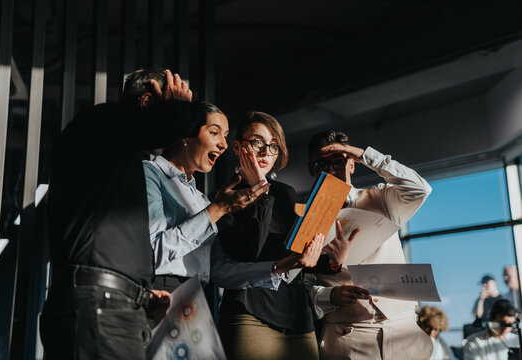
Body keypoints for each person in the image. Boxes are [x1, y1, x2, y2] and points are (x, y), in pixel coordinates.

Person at [40, 69, 197, 360]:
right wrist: (179, 109)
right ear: (147, 100)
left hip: (112, 307)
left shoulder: (116, 161)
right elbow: (172, 125)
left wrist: (140, 295)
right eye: (167, 99)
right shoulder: (97, 123)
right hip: (99, 307)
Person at [213, 112, 362, 360]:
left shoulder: (286, 193)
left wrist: (333, 259)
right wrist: (258, 190)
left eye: (272, 146)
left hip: (297, 317)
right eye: (257, 142)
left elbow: (297, 256)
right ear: (238, 147)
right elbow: (248, 252)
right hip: (250, 313)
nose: (264, 152)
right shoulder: (222, 197)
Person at [143, 104, 325, 294]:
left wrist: (279, 267)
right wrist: (217, 209)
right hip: (157, 287)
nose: (223, 145)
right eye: (214, 132)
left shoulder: (201, 199)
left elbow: (220, 270)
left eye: (225, 136)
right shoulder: (150, 173)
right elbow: (152, 251)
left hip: (194, 294)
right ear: (186, 134)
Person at [305, 130, 434, 360]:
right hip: (348, 336)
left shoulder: (382, 199)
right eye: (320, 164)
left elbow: (420, 189)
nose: (330, 170)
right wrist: (330, 295)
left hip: (404, 331)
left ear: (351, 164)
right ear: (311, 169)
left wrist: (365, 155)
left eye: (337, 162)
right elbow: (299, 287)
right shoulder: (304, 221)